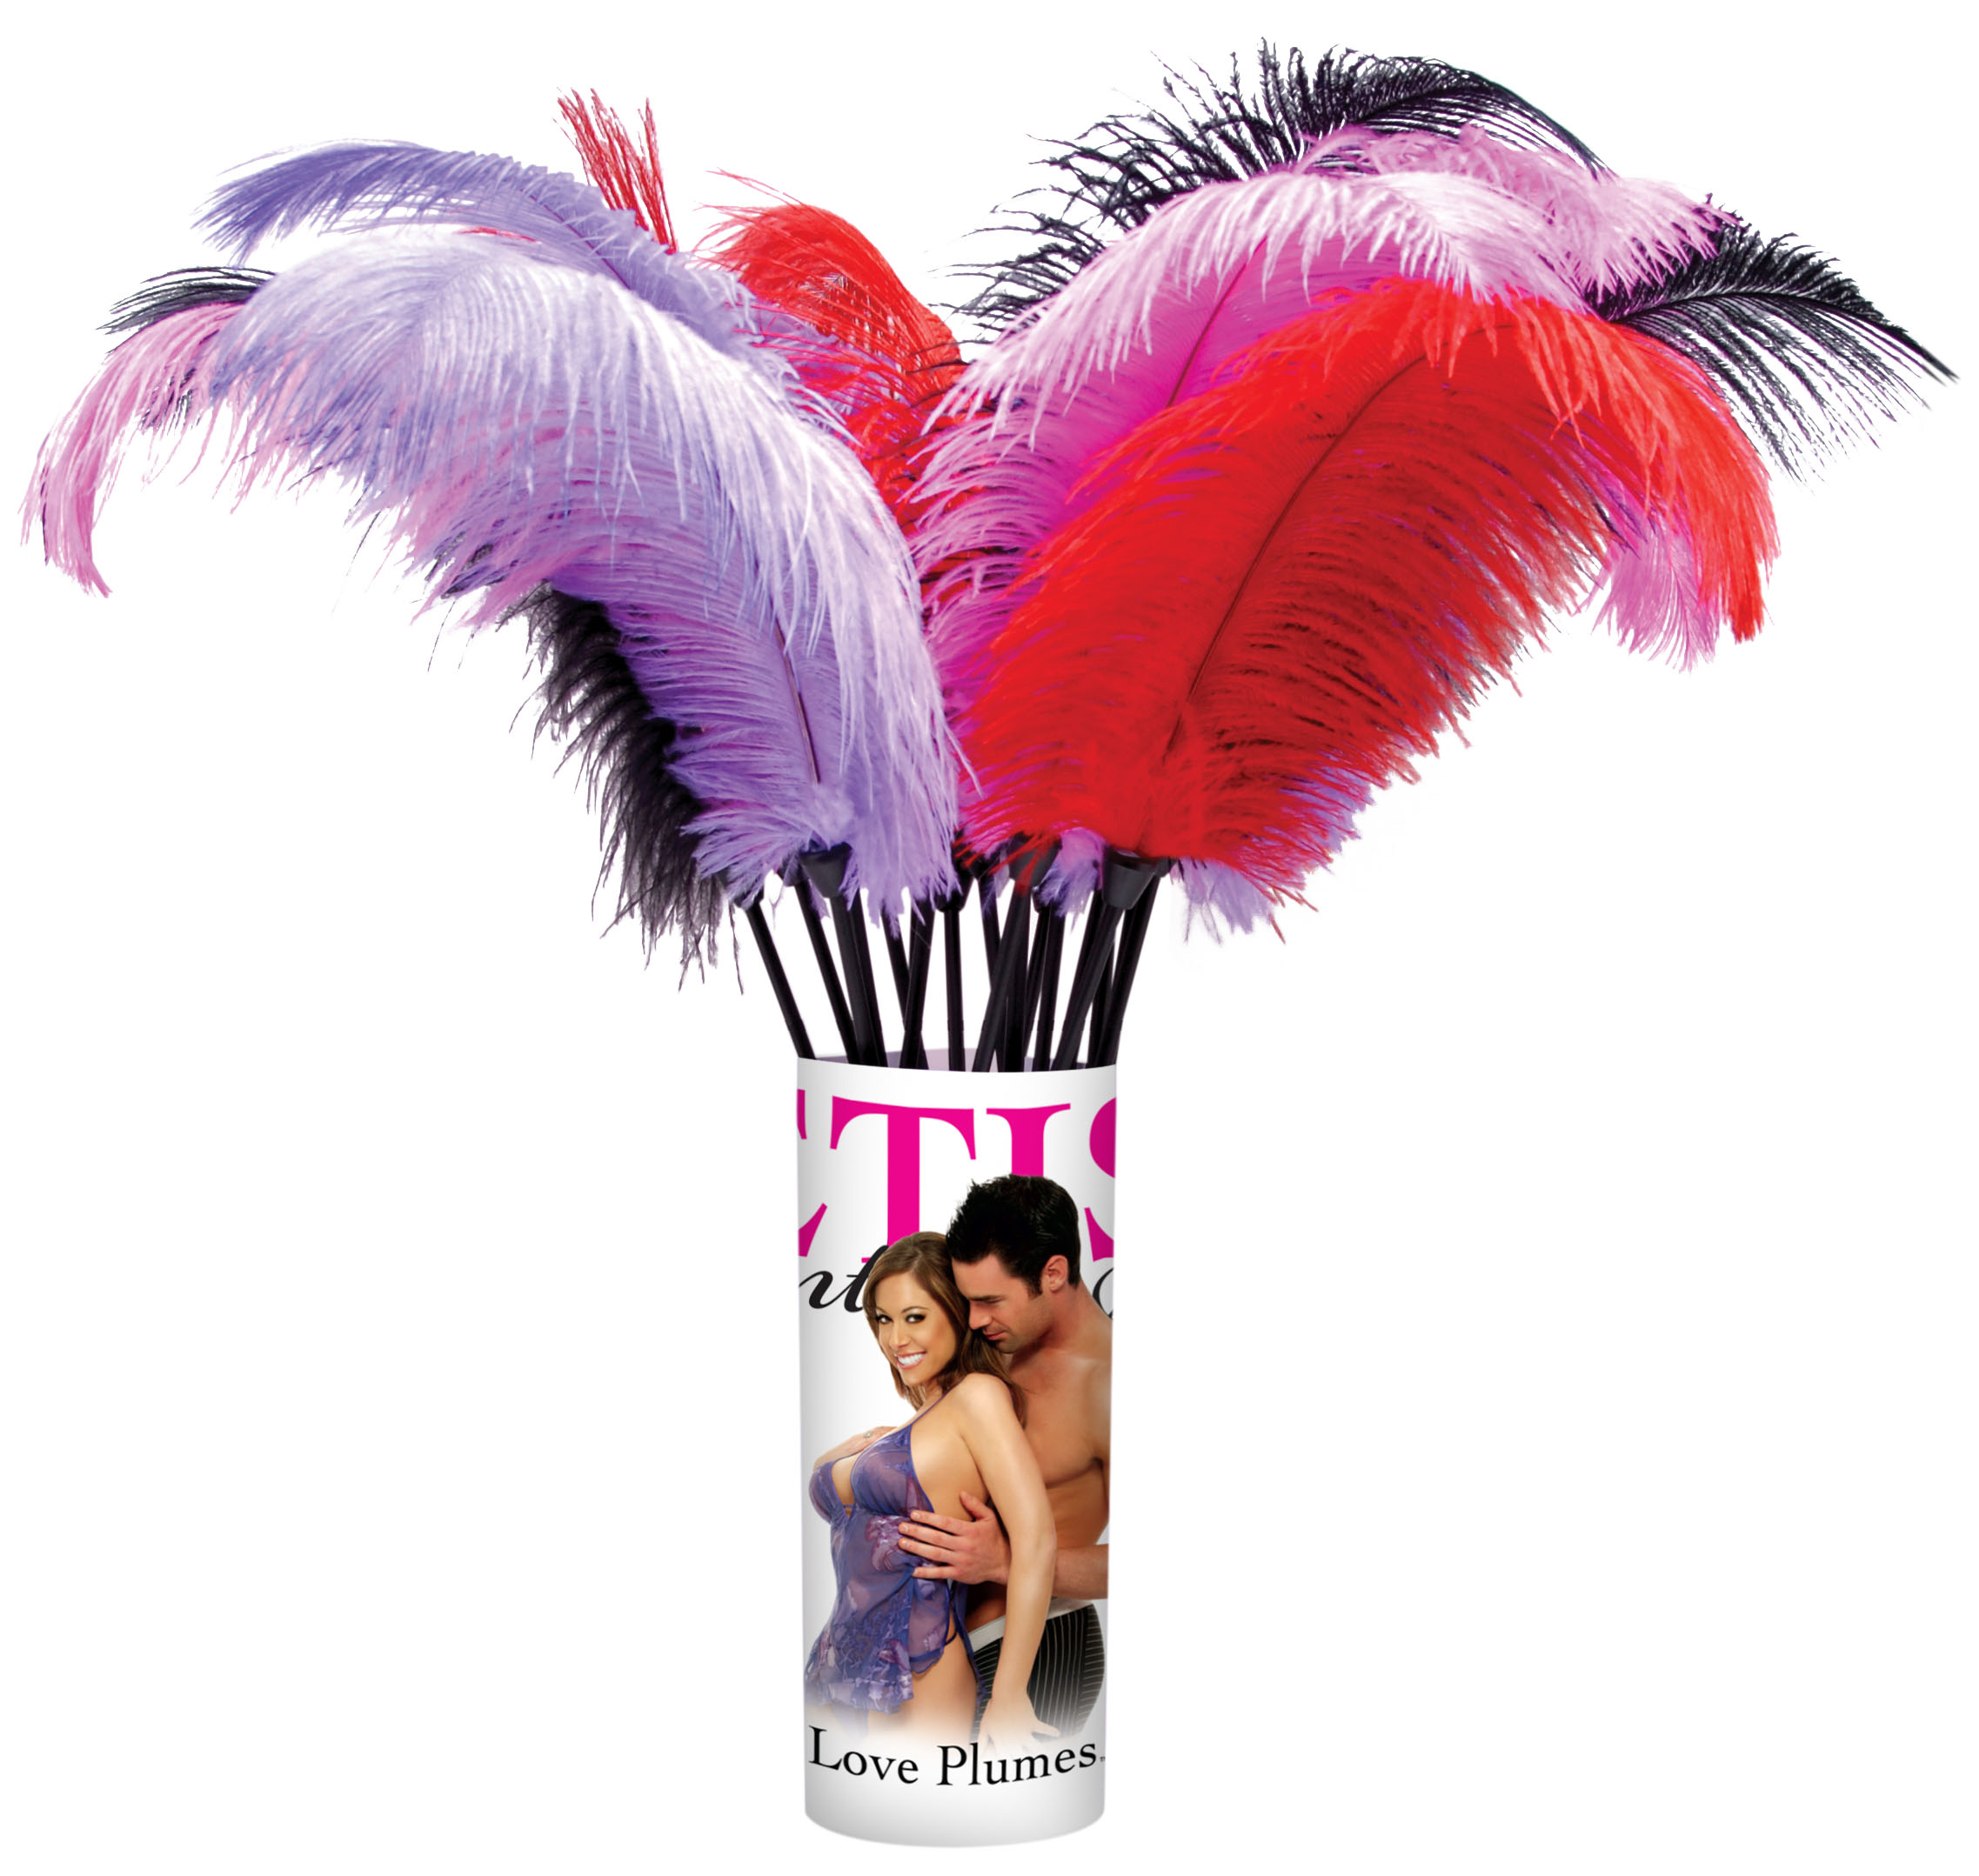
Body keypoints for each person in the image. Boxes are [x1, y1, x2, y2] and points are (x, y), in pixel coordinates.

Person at [803, 1232, 1058, 1752]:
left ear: (957, 1313)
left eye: (914, 1317)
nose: (896, 1338)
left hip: (918, 1672)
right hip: (834, 1664)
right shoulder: (915, 1424)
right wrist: (853, 1451)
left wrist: (1010, 1694)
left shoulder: (979, 1397)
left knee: (917, 1799)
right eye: (883, 1319)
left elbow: (1037, 1540)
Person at [897, 1176, 1111, 1737]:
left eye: (990, 1301)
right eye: (967, 1299)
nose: (972, 1319)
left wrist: (1005, 1561)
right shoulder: (999, 1344)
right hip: (949, 1644)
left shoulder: (1107, 1385)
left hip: (1042, 1649)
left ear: (1053, 1274)